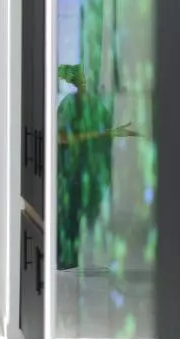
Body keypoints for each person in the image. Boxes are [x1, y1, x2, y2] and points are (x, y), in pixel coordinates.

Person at [56, 63, 140, 270]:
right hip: (73, 171)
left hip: (89, 172)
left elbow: (107, 130)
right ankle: (69, 257)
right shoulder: (69, 105)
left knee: (88, 215)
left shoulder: (95, 104)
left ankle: (80, 256)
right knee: (71, 215)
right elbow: (63, 138)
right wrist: (105, 134)